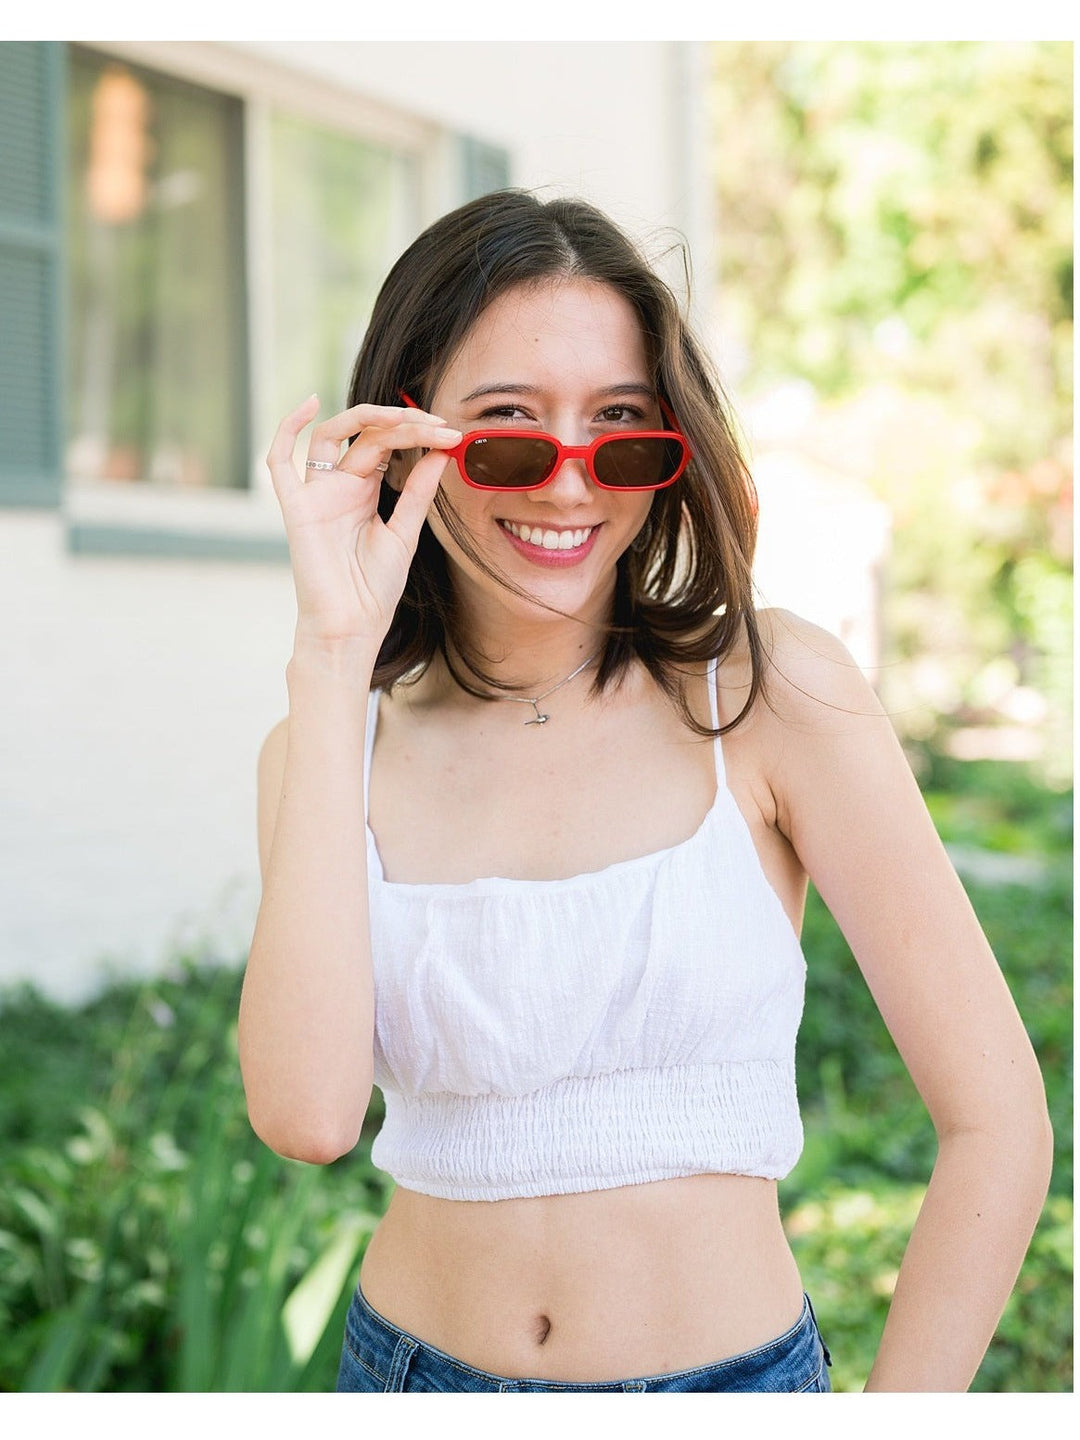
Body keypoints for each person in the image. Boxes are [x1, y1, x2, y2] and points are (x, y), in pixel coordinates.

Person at [239, 189, 1052, 1393]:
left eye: (621, 430)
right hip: (411, 1380)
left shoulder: (770, 696)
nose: (570, 486)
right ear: (409, 435)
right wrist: (329, 651)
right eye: (508, 430)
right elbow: (309, 1119)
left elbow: (999, 1126)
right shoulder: (328, 743)